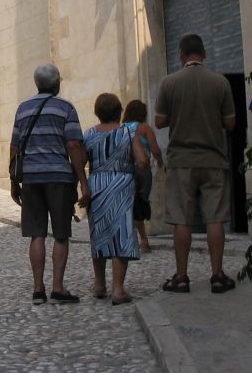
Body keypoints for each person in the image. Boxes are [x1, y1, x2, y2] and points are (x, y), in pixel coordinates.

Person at [154, 34, 237, 294]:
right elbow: (231, 123)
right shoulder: (220, 82)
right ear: (204, 53)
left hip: (181, 161)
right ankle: (217, 275)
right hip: (213, 158)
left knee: (182, 219)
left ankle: (181, 276)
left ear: (181, 54)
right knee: (215, 218)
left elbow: (159, 121)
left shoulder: (169, 83)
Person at [9, 63, 91, 305]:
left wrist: (14, 182)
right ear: (56, 83)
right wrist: (83, 183)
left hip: (31, 179)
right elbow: (74, 146)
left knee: (37, 234)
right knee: (61, 234)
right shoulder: (66, 108)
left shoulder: (22, 109)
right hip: (59, 179)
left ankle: (38, 290)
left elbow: (14, 147)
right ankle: (57, 288)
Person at [84, 93, 149, 304]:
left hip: (97, 185)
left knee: (99, 232)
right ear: (120, 112)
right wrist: (138, 180)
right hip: (122, 184)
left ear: (97, 113)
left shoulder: (89, 134)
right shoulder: (129, 132)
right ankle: (118, 289)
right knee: (121, 233)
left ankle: (99, 284)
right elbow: (143, 160)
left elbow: (81, 160)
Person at [121, 99, 164, 253]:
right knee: (140, 203)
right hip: (142, 170)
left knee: (127, 205)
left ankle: (129, 239)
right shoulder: (145, 128)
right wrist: (160, 162)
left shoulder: (121, 128)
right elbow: (155, 149)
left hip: (124, 171)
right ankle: (143, 240)